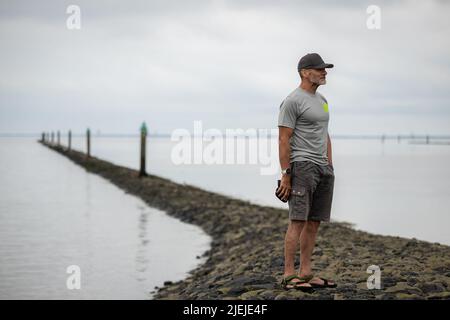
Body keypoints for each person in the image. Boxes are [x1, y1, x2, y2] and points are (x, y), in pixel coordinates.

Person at [277, 53, 337, 291]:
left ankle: (306, 272)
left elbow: (325, 132)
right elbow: (284, 139)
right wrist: (286, 173)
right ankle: (289, 274)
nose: (325, 72)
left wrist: (329, 164)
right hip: (302, 166)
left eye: (325, 69)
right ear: (304, 72)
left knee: (314, 223)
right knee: (298, 221)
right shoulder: (292, 101)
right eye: (320, 69)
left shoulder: (322, 100)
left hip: (323, 167)